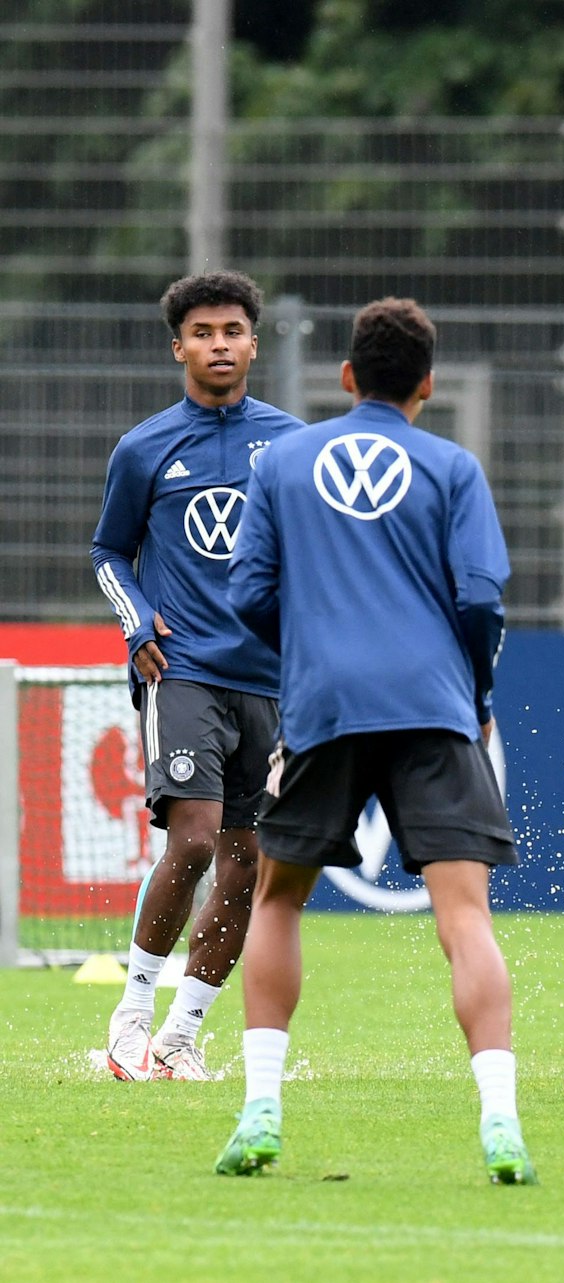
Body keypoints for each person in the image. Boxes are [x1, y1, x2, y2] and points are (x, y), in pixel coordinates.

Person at [216, 298, 533, 1184]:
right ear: (428, 385)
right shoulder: (453, 467)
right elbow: (481, 600)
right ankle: (501, 1121)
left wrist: (315, 645)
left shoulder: (282, 459)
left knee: (278, 899)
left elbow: (247, 595)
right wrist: (475, 690)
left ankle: (261, 1108)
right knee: (463, 915)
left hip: (322, 707)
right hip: (433, 705)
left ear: (347, 376)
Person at [90, 271, 303, 1081]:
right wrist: (135, 616)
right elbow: (108, 551)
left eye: (233, 331)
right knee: (194, 838)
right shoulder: (144, 446)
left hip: (271, 682)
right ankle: (132, 1013)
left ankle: (181, 1037)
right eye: (203, 332)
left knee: (247, 862)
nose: (219, 344)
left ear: (254, 342)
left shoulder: (291, 443)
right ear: (177, 345)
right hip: (183, 671)